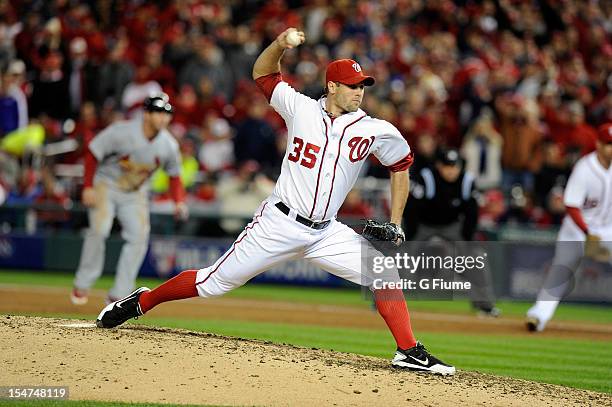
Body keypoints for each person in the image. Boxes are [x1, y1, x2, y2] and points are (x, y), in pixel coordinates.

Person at [96, 28, 455, 376]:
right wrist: (280, 44)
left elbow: (401, 165)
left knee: (383, 272)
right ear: (332, 86)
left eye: (363, 86)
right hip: (278, 223)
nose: (359, 92)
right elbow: (263, 72)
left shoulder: (374, 128)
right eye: (352, 85)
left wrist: (396, 220)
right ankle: (143, 301)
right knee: (212, 284)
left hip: (327, 232)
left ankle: (408, 351)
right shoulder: (300, 108)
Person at [71, 93, 188, 305]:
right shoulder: (121, 132)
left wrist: (179, 201)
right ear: (146, 114)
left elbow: (175, 176)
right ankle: (82, 284)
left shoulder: (168, 145)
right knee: (100, 230)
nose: (164, 118)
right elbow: (92, 153)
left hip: (135, 193)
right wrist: (88, 186)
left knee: (139, 237)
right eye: (158, 112)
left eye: (167, 114)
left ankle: (118, 295)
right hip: (106, 184)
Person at [526, 123, 612, 332]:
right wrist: (588, 233)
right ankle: (538, 316)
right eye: (609, 144)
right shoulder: (585, 168)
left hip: (608, 229)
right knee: (560, 271)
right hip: (577, 230)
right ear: (599, 144)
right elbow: (571, 205)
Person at [403, 147, 499, 316]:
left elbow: (472, 214)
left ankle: (485, 305)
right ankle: (384, 299)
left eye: (455, 166)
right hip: (423, 224)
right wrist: (410, 239)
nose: (451, 170)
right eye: (447, 166)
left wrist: (467, 242)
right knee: (401, 255)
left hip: (452, 226)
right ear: (439, 166)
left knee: (475, 258)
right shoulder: (426, 177)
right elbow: (411, 210)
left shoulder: (467, 181)